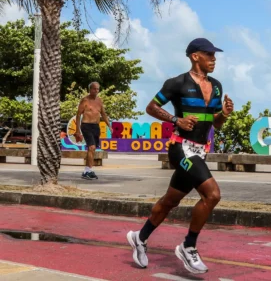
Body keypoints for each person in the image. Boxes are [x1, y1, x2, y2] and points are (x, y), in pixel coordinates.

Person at [126, 38, 234, 274]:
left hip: (200, 151)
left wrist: (223, 115)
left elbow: (215, 123)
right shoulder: (177, 83)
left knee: (170, 201)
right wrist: (177, 120)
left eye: (215, 55)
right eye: (209, 54)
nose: (214, 59)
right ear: (195, 56)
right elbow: (151, 107)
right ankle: (188, 246)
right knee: (212, 194)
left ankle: (139, 237)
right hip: (180, 147)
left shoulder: (216, 86)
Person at [74, 82, 113, 180]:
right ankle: (88, 170)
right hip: (86, 125)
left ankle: (87, 171)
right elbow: (78, 115)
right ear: (90, 89)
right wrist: (77, 130)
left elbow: (103, 114)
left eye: (98, 89)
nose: (96, 91)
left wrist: (109, 125)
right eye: (94, 89)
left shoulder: (99, 101)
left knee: (93, 148)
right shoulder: (85, 100)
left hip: (96, 126)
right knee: (91, 147)